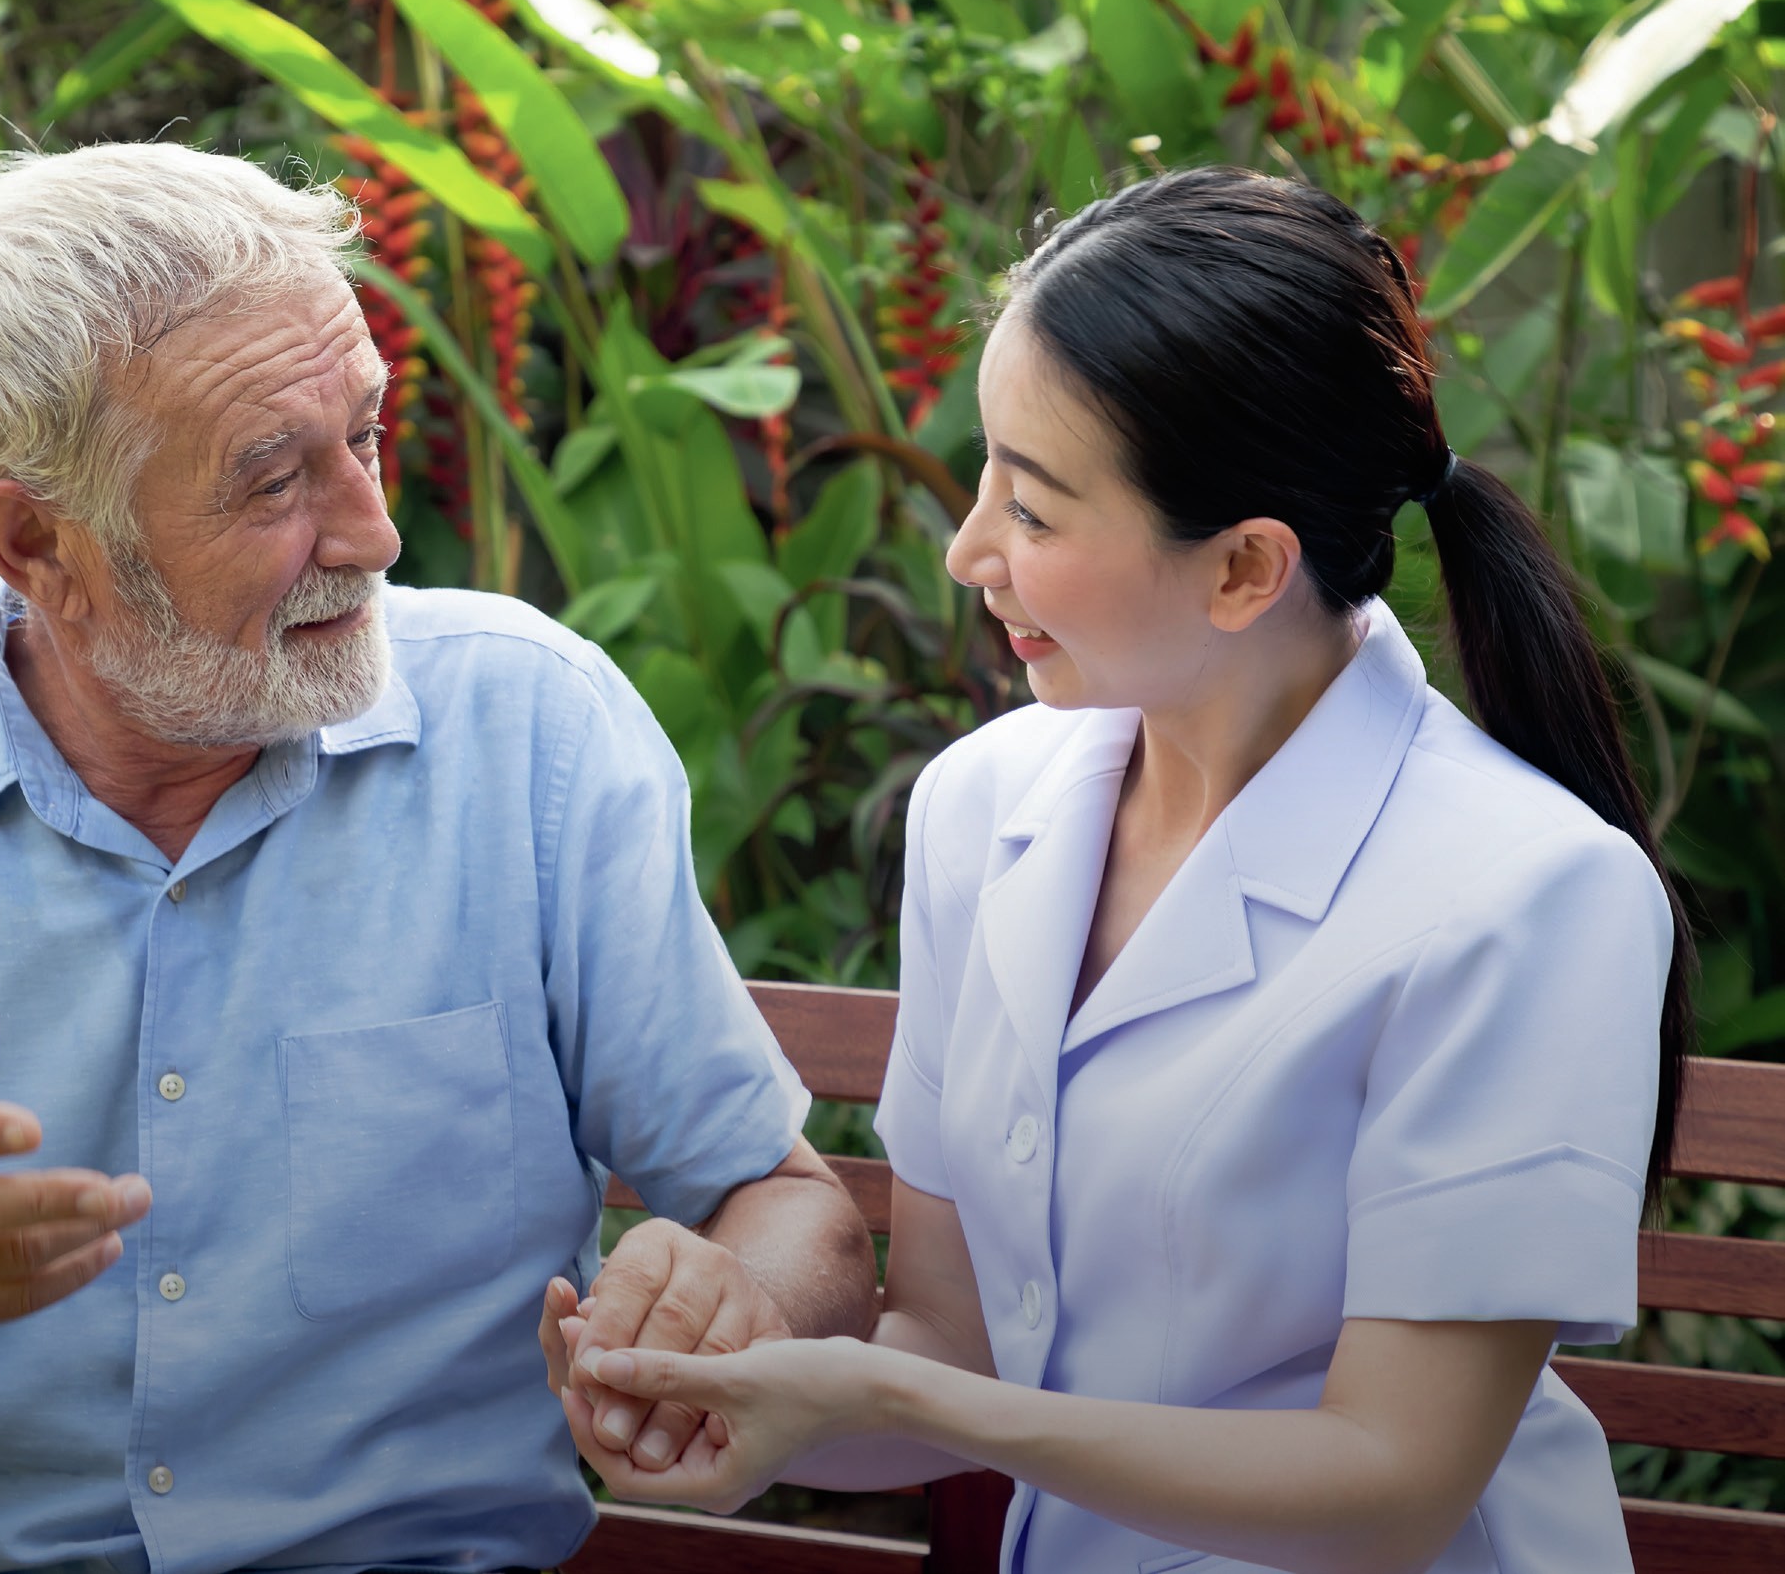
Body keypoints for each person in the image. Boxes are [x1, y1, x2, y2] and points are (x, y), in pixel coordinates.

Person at [0, 140, 876, 1574]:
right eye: (272, 481)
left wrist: (726, 1304)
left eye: (359, 436)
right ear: (37, 543)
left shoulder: (530, 734)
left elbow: (794, 1211)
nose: (372, 530)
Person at [546, 166, 1692, 1574]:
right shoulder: (984, 806)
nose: (969, 550)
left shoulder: (1527, 897)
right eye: (986, 478)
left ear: (1240, 570)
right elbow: (948, 1346)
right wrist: (717, 1398)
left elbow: (1392, 1486)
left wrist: (900, 1394)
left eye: (1030, 512)